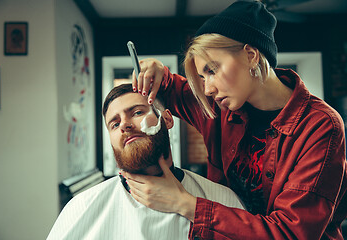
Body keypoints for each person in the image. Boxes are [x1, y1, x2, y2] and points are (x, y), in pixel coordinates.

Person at [122, 1, 347, 239]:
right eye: (201, 76)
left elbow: (290, 232)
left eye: (212, 70)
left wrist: (185, 204)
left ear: (250, 55)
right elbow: (172, 88)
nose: (207, 89)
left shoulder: (320, 127)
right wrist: (156, 71)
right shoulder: (221, 106)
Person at [46, 84, 244, 240]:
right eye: (114, 124)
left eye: (137, 112)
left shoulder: (222, 200)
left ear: (167, 119)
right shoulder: (81, 208)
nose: (124, 124)